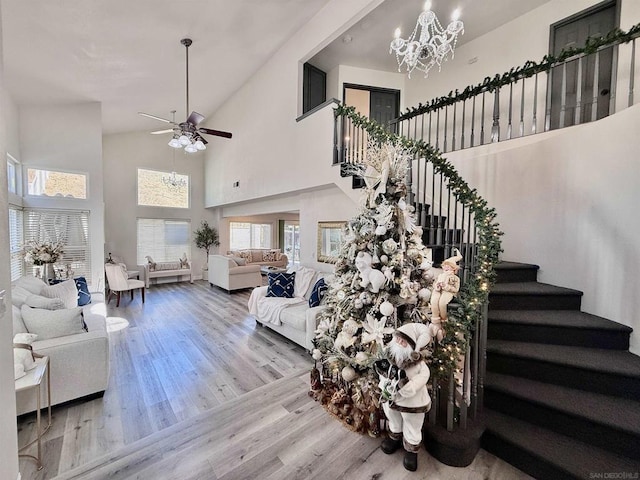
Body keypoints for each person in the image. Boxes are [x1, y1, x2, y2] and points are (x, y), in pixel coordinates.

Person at [375, 323, 432, 472]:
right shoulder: (389, 356)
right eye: (398, 339)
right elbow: (383, 378)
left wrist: (404, 385)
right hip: (392, 399)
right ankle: (395, 436)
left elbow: (418, 382)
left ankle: (411, 449)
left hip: (412, 403)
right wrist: (384, 382)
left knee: (412, 424)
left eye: (403, 341)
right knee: (392, 417)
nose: (399, 343)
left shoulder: (419, 365)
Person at [429, 249, 462, 341]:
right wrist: (437, 286)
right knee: (434, 301)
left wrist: (446, 286)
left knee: (442, 303)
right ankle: (436, 323)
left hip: (448, 292)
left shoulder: (455, 278)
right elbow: (435, 283)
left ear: (453, 268)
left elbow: (455, 289)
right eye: (445, 266)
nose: (446, 267)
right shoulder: (440, 275)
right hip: (438, 291)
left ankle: (444, 323)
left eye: (448, 266)